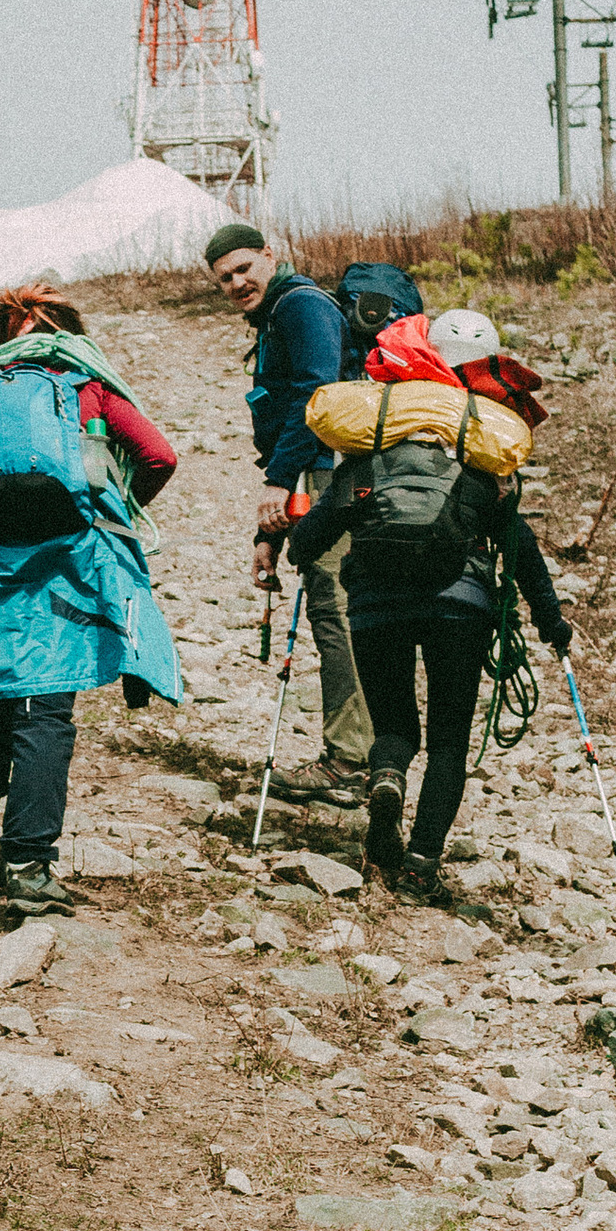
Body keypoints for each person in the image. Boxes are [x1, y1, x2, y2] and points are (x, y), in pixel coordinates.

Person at [0, 282, 180, 918]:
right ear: (70, 331)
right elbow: (159, 455)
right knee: (43, 708)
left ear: (2, 335)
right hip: (66, 563)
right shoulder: (89, 385)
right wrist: (116, 504)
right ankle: (28, 863)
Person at [284, 302, 571, 899]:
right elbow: (521, 548)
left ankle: (386, 777)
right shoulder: (484, 452)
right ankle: (419, 864)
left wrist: (293, 545)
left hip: (374, 602)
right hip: (458, 606)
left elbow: (308, 544)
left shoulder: (371, 445)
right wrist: (552, 625)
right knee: (447, 740)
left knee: (394, 724)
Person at [206, 216, 373, 806]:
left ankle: (352, 761)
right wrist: (267, 533)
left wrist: (278, 482)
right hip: (318, 476)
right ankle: (364, 757)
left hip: (334, 476)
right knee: (335, 608)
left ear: (270, 255)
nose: (236, 284)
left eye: (244, 269)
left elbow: (314, 395)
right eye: (224, 278)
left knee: (335, 608)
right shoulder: (278, 315)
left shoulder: (300, 307)